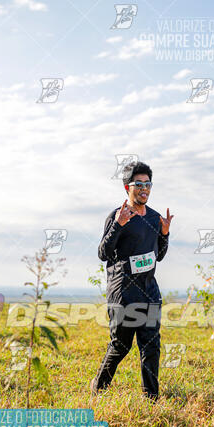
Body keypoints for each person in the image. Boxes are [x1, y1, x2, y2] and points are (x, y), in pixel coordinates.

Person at [91, 161, 173, 401]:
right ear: (128, 187)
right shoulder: (117, 216)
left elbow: (159, 255)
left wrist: (165, 234)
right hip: (123, 292)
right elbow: (103, 253)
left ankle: (151, 399)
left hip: (148, 292)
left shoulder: (155, 218)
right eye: (139, 184)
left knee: (151, 347)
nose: (144, 188)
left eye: (148, 184)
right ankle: (99, 387)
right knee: (120, 346)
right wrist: (119, 225)